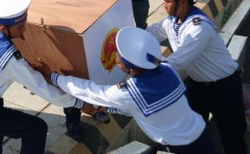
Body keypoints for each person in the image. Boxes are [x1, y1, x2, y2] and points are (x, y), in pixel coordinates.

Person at [40, 27, 214, 154]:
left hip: (182, 147)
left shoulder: (131, 91)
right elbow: (145, 108)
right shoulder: (168, 69)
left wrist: (55, 78)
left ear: (129, 67)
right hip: (200, 133)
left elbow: (89, 91)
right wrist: (110, 108)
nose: (115, 60)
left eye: (118, 57)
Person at [0, 0, 85, 154]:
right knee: (37, 129)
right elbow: (40, 87)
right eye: (20, 27)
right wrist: (78, 103)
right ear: (4, 28)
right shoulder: (9, 58)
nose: (24, 29)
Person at [147, 0, 247, 154]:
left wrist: (143, 66)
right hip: (198, 86)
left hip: (224, 87)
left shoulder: (199, 28)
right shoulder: (171, 21)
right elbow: (150, 34)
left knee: (232, 136)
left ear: (183, 2)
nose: (164, 5)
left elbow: (177, 62)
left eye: (167, 2)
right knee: (191, 134)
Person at [45, 0, 124, 140]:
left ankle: (97, 108)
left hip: (95, 35)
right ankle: (72, 119)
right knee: (71, 76)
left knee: (94, 75)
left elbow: (119, 6)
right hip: (67, 30)